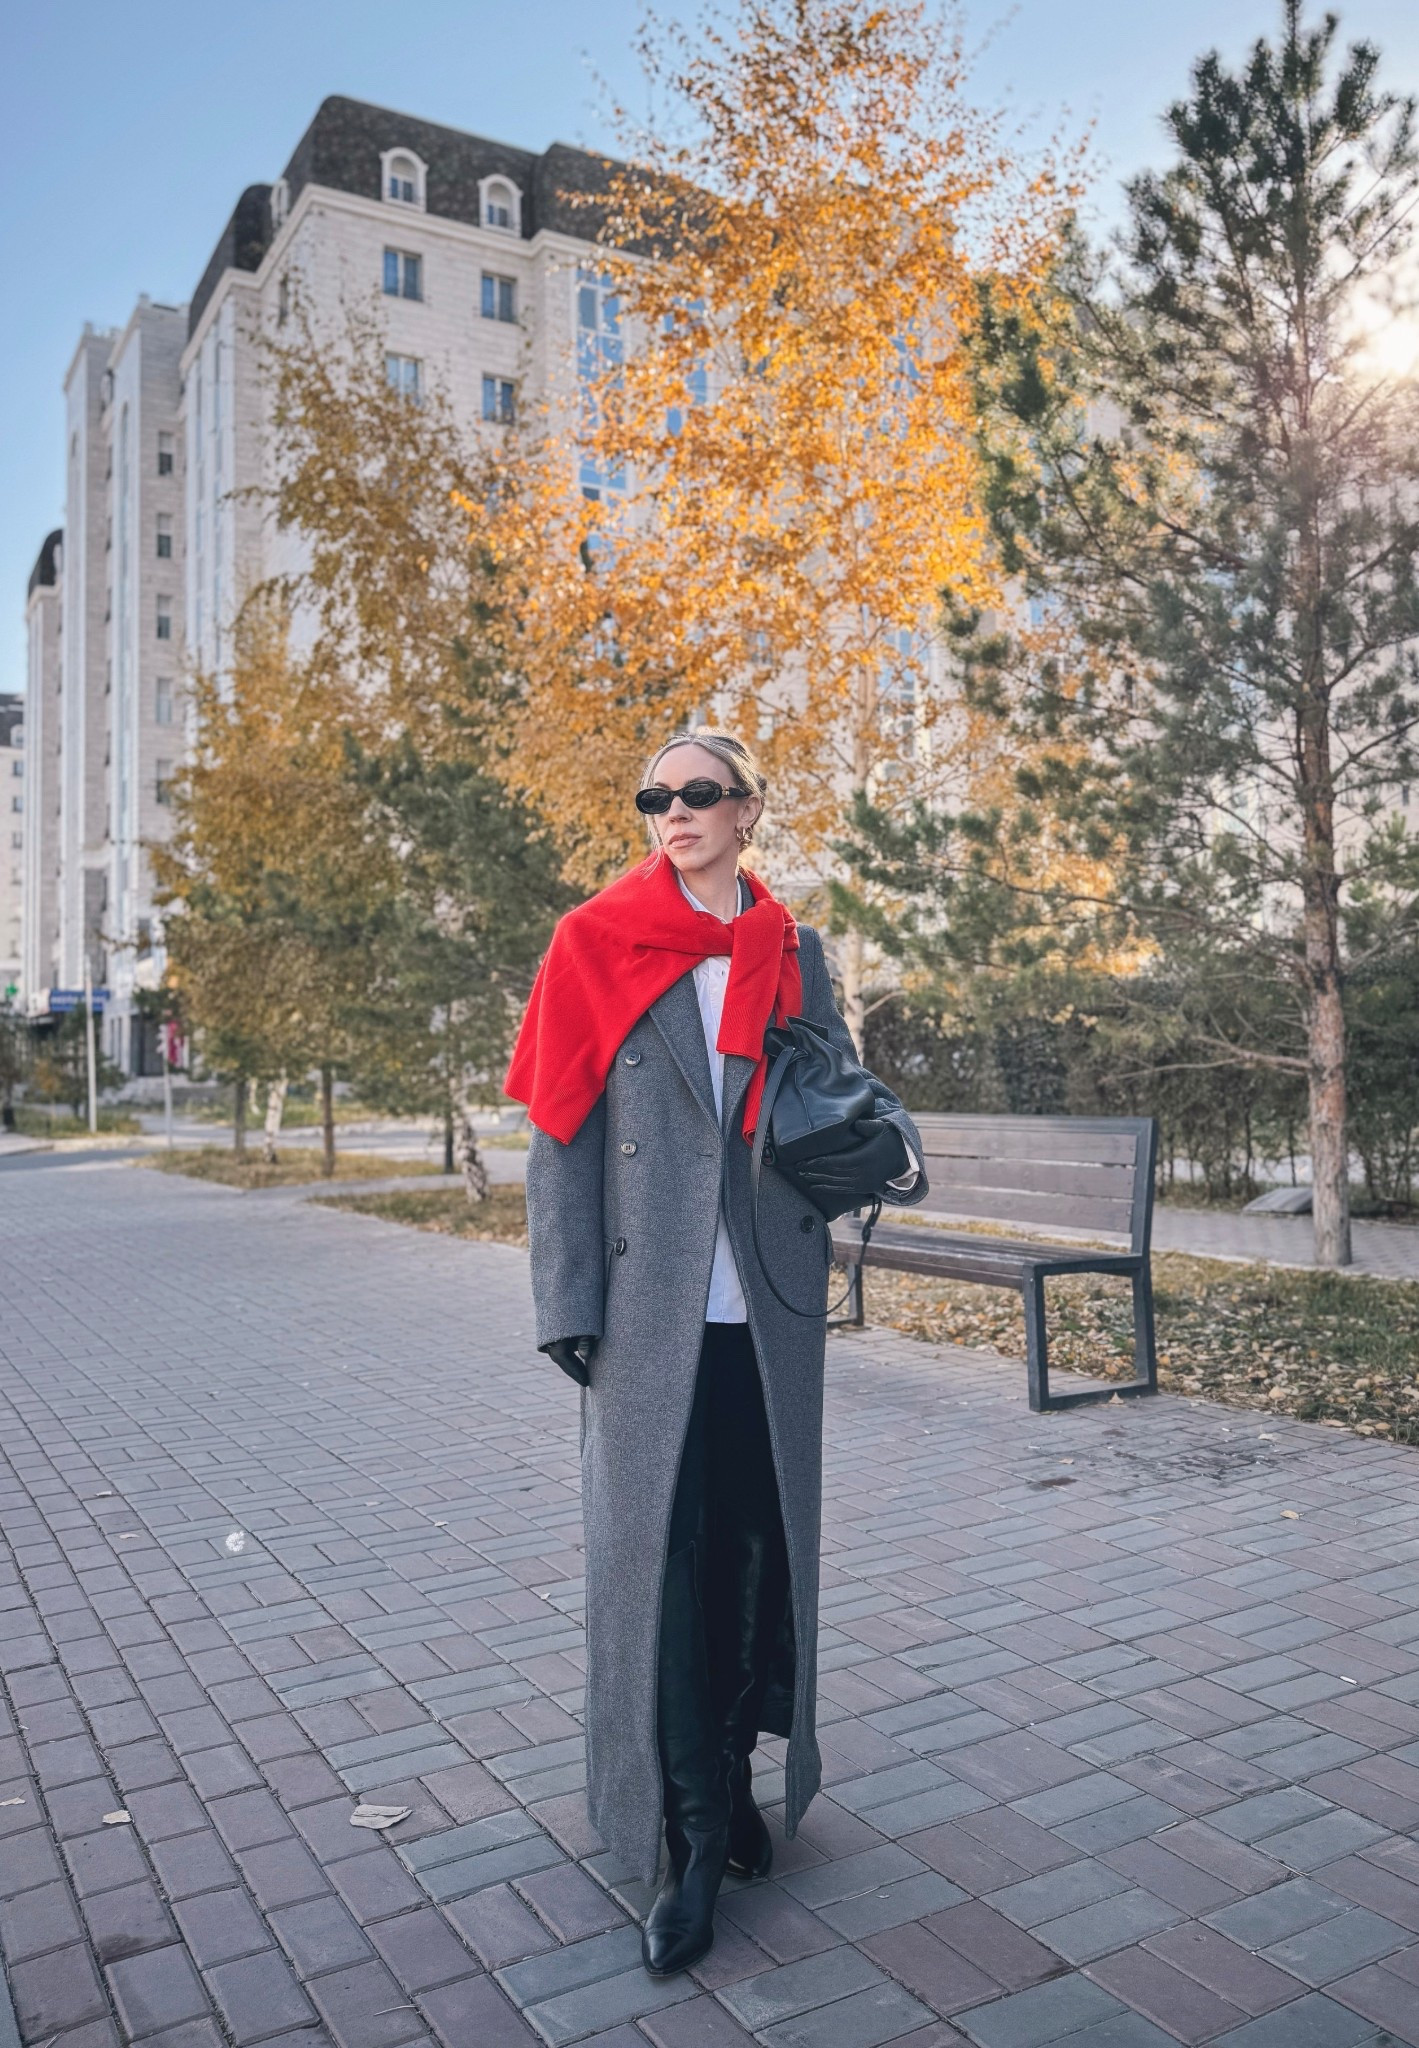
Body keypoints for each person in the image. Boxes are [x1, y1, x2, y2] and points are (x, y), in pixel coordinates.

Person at [507, 728, 926, 1977]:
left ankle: (740, 1777)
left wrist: (851, 1134)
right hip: (646, 1313)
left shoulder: (794, 950)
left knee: (758, 1551)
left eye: (698, 794)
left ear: (747, 811)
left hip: (771, 1299)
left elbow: (835, 1093)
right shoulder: (595, 940)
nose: (673, 811)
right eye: (655, 796)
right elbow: (559, 1134)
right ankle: (690, 1834)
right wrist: (566, 1299)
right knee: (667, 1563)